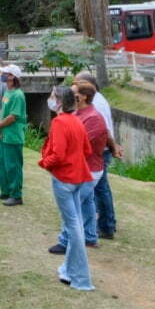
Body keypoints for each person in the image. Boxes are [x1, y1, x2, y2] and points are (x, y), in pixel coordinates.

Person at [39, 85, 94, 291]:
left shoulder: (61, 122)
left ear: (60, 101)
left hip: (65, 179)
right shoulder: (77, 121)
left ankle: (81, 278)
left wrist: (44, 163)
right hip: (78, 177)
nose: (51, 100)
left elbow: (59, 155)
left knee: (74, 227)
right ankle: (70, 271)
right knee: (75, 225)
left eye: (53, 97)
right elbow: (86, 150)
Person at [48, 81, 108, 254]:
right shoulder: (79, 114)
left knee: (72, 206)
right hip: (83, 168)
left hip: (89, 169)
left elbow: (79, 147)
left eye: (73, 93)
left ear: (83, 97)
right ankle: (90, 236)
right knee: (87, 202)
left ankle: (65, 241)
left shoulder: (92, 118)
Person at [75, 71, 122, 240]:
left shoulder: (97, 103)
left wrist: (113, 147)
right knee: (96, 191)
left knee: (100, 189)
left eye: (78, 84)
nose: (75, 88)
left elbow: (104, 130)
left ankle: (106, 226)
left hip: (99, 151)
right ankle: (98, 225)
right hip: (100, 150)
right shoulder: (95, 101)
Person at [0, 64, 27, 206]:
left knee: (13, 166)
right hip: (4, 135)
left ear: (12, 76)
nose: (3, 74)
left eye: (6, 73)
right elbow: (3, 112)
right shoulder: (7, 92)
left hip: (13, 136)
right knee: (1, 163)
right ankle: (6, 191)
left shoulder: (18, 95)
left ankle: (16, 195)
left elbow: (13, 116)